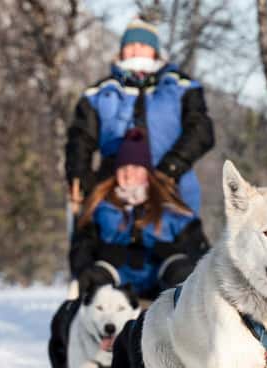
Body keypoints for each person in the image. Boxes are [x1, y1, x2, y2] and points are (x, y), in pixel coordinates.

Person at [65, 16, 214, 218]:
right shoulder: (99, 93)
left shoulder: (180, 87)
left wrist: (170, 168)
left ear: (154, 51)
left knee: (178, 243)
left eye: (143, 45)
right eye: (130, 45)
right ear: (121, 50)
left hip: (172, 184)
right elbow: (80, 140)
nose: (135, 51)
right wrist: (82, 180)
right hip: (113, 189)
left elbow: (201, 131)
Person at [70, 127, 209, 301]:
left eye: (136, 167)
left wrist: (175, 253)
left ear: (147, 172)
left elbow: (201, 252)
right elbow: (80, 250)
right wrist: (101, 255)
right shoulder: (101, 209)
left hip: (163, 286)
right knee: (95, 277)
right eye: (123, 169)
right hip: (116, 288)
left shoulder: (172, 212)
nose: (129, 175)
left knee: (183, 272)